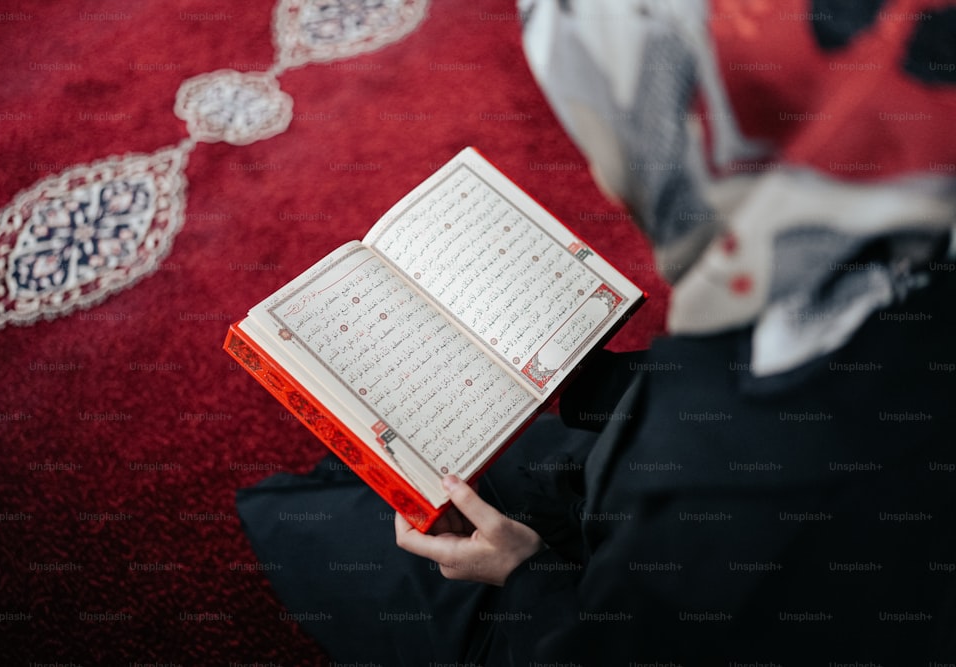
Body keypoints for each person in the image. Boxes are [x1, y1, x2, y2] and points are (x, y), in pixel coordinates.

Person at [237, 1, 956, 663]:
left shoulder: (713, 483)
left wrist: (520, 573)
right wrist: (598, 383)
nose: (602, 176)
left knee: (305, 522)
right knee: (488, 464)